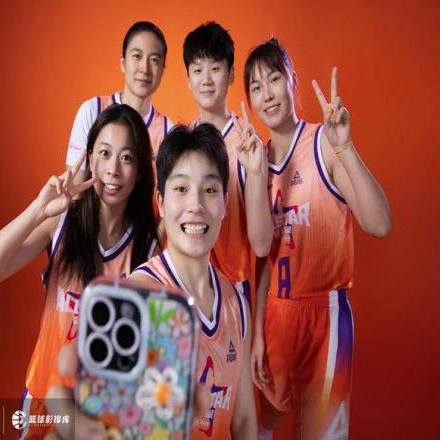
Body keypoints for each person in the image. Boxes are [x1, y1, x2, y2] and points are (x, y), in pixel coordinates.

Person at [0, 104, 159, 439]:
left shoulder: (148, 248)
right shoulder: (62, 224)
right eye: (104, 153)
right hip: (44, 405)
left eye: (127, 158)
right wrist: (38, 210)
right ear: (90, 158)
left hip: (101, 420)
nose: (113, 169)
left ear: (141, 171)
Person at [244, 38, 392, 439]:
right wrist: (257, 331)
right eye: (256, 87)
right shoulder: (254, 161)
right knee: (260, 427)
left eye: (274, 79)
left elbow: (379, 224)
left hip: (324, 316)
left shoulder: (322, 143)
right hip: (274, 315)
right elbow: (263, 256)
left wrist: (345, 147)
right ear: (250, 101)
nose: (267, 94)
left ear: (292, 79)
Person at [129, 124, 258, 439]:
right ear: (160, 202)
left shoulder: (235, 303)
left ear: (225, 203)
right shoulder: (140, 295)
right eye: (181, 189)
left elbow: (243, 420)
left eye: (209, 190)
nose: (196, 205)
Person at [183, 22, 272, 307]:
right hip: (187, 288)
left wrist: (256, 174)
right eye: (198, 70)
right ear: (188, 79)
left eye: (215, 68)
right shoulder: (181, 141)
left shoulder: (248, 144)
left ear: (231, 74)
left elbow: (262, 245)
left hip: (233, 291)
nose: (206, 80)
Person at [66, 21, 173, 182]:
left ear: (162, 70)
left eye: (154, 60)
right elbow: (74, 188)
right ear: (123, 63)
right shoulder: (92, 110)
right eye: (137, 56)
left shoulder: (168, 131)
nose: (145, 69)